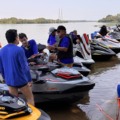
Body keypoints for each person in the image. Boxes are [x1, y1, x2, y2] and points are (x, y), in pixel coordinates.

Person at [0, 29, 34, 106]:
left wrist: (5, 78)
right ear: (16, 38)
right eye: (18, 37)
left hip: (10, 80)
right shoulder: (19, 50)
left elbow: (1, 68)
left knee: (14, 101)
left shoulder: (2, 51)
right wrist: (29, 80)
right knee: (30, 98)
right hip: (21, 80)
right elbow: (25, 67)